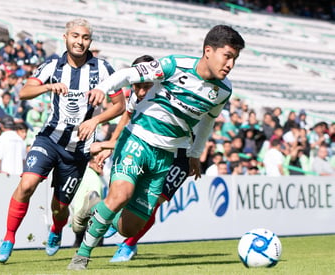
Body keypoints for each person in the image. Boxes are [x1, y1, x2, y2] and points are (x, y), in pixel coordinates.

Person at [68, 24, 245, 270]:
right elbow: (128, 74)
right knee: (121, 194)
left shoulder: (223, 91)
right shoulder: (174, 65)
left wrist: (194, 155)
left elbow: (207, 122)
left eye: (234, 59)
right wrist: (102, 88)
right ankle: (82, 255)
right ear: (208, 51)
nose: (230, 64)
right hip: (137, 139)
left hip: (166, 155)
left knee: (129, 227)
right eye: (227, 56)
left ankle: (97, 208)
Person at [0, 18, 125, 263]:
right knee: (27, 184)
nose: (80, 41)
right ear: (66, 38)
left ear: (90, 42)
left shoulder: (103, 69)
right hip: (49, 139)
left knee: (60, 207)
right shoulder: (52, 64)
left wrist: (95, 121)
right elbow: (24, 91)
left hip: (78, 150)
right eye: (75, 36)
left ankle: (56, 229)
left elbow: (120, 106)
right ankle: (8, 239)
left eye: (85, 37)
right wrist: (48, 87)